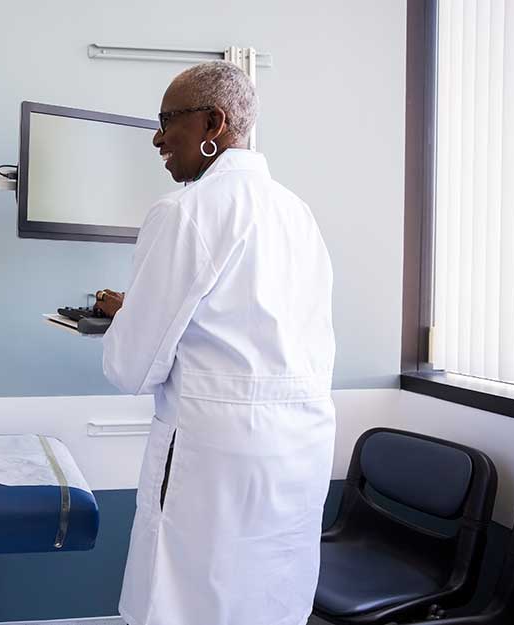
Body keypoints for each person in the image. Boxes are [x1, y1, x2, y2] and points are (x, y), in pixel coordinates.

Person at [95, 61, 336, 625]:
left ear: (213, 124)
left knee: (183, 605)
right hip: (298, 450)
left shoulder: (185, 211)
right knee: (269, 603)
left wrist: (129, 322)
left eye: (166, 122)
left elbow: (132, 368)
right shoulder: (298, 214)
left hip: (213, 454)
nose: (156, 139)